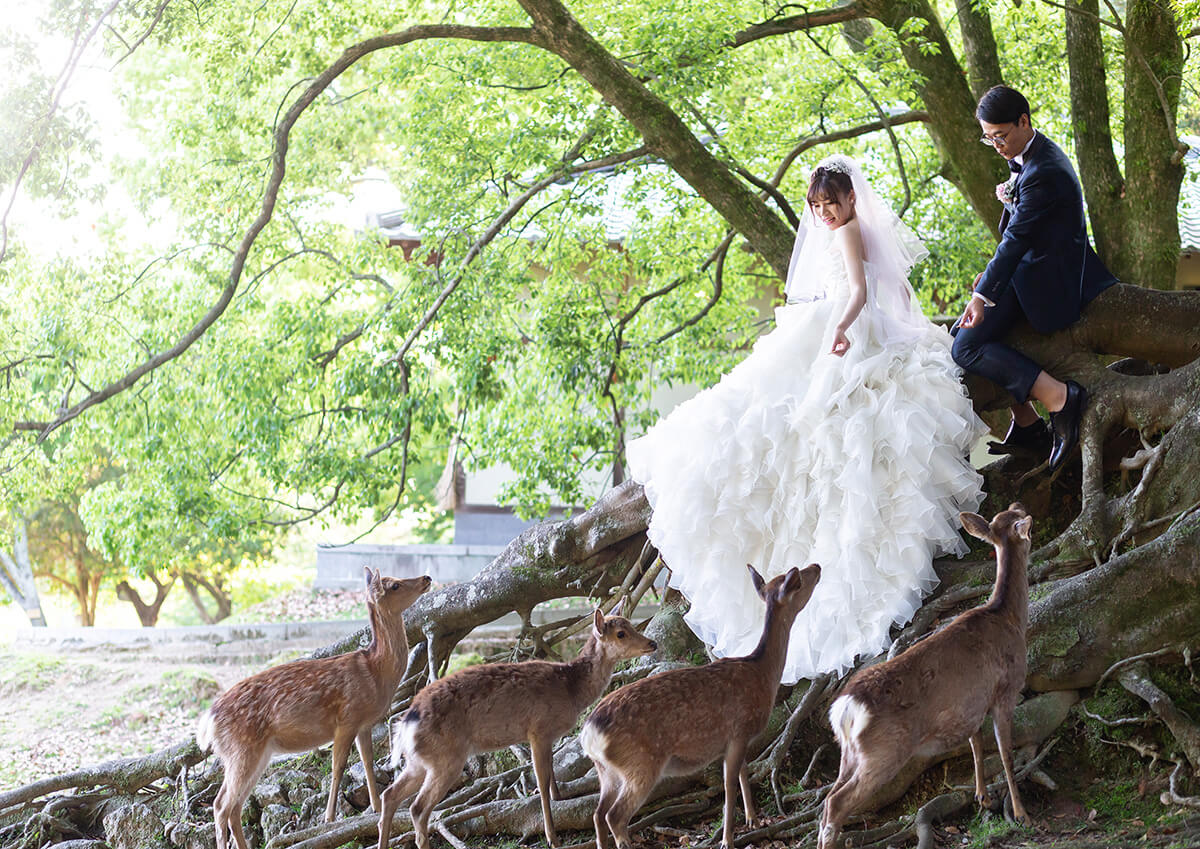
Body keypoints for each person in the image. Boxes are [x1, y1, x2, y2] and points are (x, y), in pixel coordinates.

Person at [626, 154, 986, 683]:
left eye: (830, 204)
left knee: (816, 417)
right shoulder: (841, 231)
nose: (824, 214)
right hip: (834, 320)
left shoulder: (851, 231)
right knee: (774, 405)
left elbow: (860, 294)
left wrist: (838, 328)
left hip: (848, 325)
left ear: (850, 199)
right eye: (817, 207)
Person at [952, 85, 1117, 470]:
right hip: (1031, 269)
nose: (995, 145)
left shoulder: (1044, 171)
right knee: (963, 333)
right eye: (988, 137)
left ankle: (1060, 398)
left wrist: (984, 295)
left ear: (1023, 121)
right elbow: (1017, 236)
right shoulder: (1030, 156)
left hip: (1048, 282)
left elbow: (1015, 242)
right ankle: (1025, 423)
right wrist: (989, 282)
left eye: (1000, 135)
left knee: (965, 348)